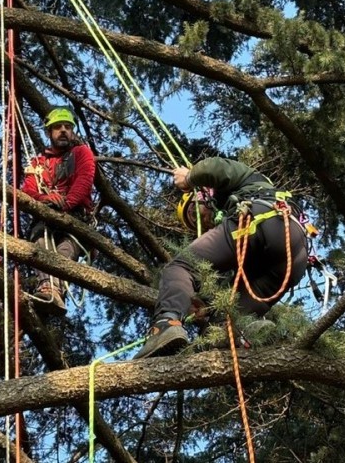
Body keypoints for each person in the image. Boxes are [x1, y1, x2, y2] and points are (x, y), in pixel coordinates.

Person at [134, 157, 309, 359]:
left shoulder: (239, 183)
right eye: (193, 223)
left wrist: (189, 177)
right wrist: (203, 303)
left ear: (202, 196)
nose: (202, 220)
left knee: (181, 266)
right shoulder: (235, 220)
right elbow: (228, 286)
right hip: (292, 256)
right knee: (222, 322)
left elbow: (216, 167)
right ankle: (244, 340)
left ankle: (166, 325)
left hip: (261, 220)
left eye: (194, 212)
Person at [21, 107, 96, 315]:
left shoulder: (81, 152)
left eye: (68, 127)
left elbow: (84, 181)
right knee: (40, 245)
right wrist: (46, 200)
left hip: (76, 217)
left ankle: (56, 289)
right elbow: (27, 191)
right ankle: (48, 289)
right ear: (48, 132)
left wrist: (65, 203)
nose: (63, 130)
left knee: (65, 251)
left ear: (73, 131)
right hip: (46, 218)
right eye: (57, 127)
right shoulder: (38, 163)